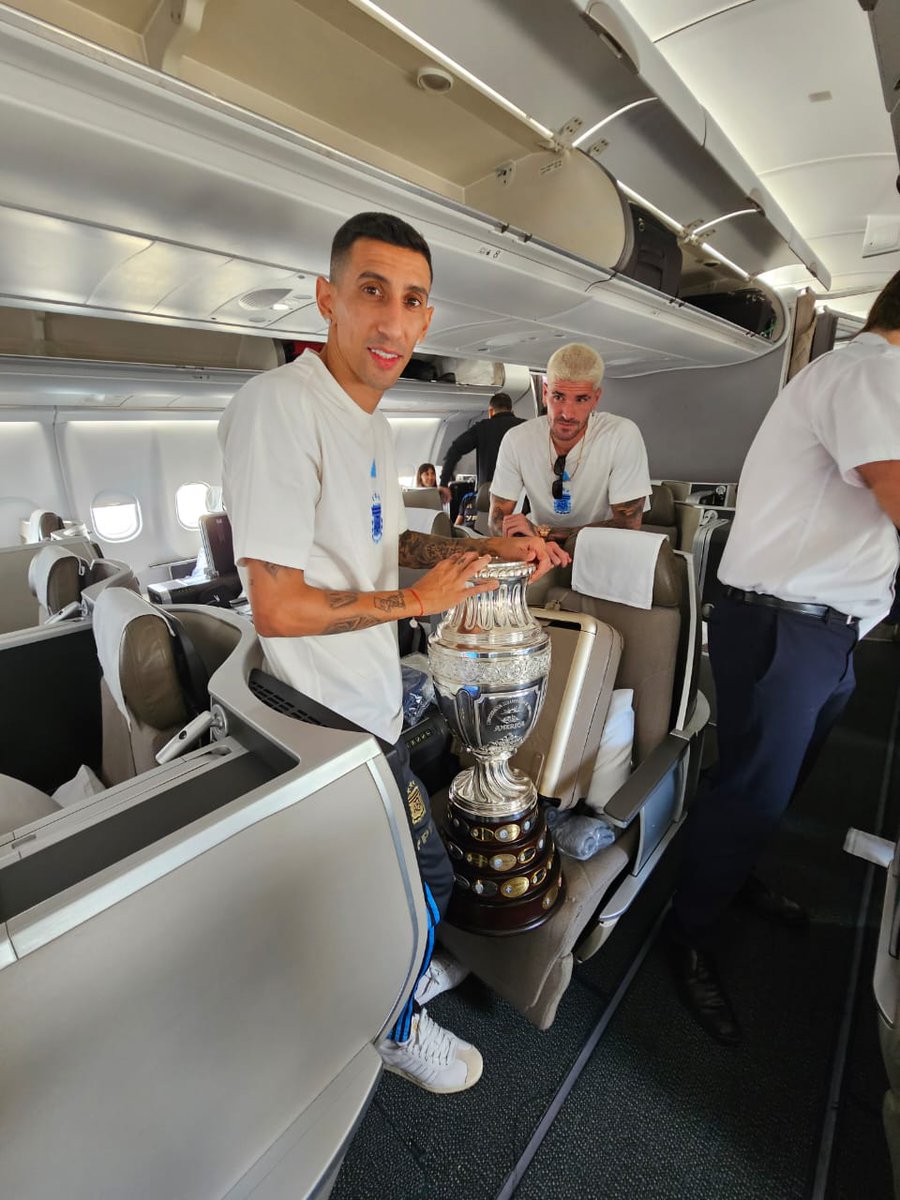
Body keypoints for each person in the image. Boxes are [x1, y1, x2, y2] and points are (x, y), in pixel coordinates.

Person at [219, 210, 569, 1094]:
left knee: (408, 879)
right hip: (324, 712)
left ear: (425, 319)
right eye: (371, 291)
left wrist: (484, 552)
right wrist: (416, 603)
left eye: (412, 300)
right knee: (424, 881)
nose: (391, 320)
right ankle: (397, 1025)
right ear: (327, 300)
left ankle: (395, 982)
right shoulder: (280, 409)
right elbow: (279, 605)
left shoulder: (371, 425)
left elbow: (377, 555)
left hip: (368, 693)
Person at [666, 271, 900, 1047]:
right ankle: (689, 934)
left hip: (821, 633)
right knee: (752, 794)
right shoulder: (869, 372)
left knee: (776, 786)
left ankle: (729, 878)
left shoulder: (869, 378)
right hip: (783, 631)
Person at [488, 343, 651, 543]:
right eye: (558, 396)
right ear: (545, 393)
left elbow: (628, 524)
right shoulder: (517, 440)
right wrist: (526, 538)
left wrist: (542, 533)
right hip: (540, 554)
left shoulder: (621, 435)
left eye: (581, 399)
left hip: (603, 552)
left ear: (596, 399)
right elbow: (497, 520)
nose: (567, 413)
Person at [438, 391, 524, 499]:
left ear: (491, 411)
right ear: (512, 411)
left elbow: (455, 449)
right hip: (519, 495)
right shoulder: (525, 427)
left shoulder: (482, 428)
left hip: (488, 496)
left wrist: (443, 482)